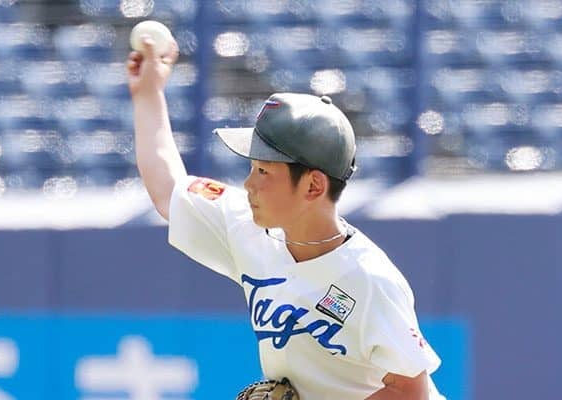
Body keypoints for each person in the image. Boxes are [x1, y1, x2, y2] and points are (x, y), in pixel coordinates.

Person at [127, 35, 444, 400]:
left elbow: (410, 391)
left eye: (264, 171)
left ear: (313, 185)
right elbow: (167, 188)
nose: (249, 184)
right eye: (252, 168)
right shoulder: (246, 225)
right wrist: (148, 92)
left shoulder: (370, 279)